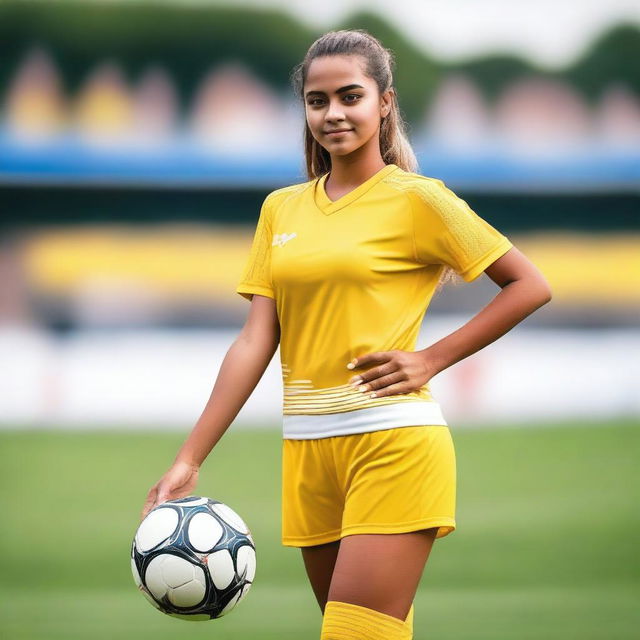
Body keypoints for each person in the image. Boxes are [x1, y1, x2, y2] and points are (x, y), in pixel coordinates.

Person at [141, 29, 552, 640]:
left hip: (392, 443)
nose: (332, 113)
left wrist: (431, 359)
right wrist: (189, 457)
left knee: (352, 635)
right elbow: (256, 341)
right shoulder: (280, 209)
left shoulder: (419, 201)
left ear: (384, 102)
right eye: (317, 100)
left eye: (350, 96)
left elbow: (528, 284)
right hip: (308, 455)